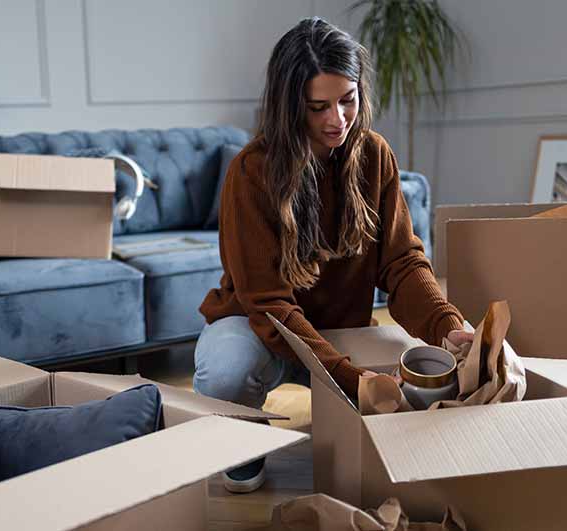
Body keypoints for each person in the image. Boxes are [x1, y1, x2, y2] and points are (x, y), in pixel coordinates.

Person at [194, 17, 474, 494]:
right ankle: (243, 443)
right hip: (260, 326)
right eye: (318, 107)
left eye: (348, 100)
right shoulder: (251, 172)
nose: (337, 120)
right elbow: (270, 304)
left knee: (423, 365)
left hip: (342, 329)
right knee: (224, 374)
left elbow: (402, 262)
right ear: (289, 107)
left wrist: (450, 326)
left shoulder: (374, 156)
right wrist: (350, 378)